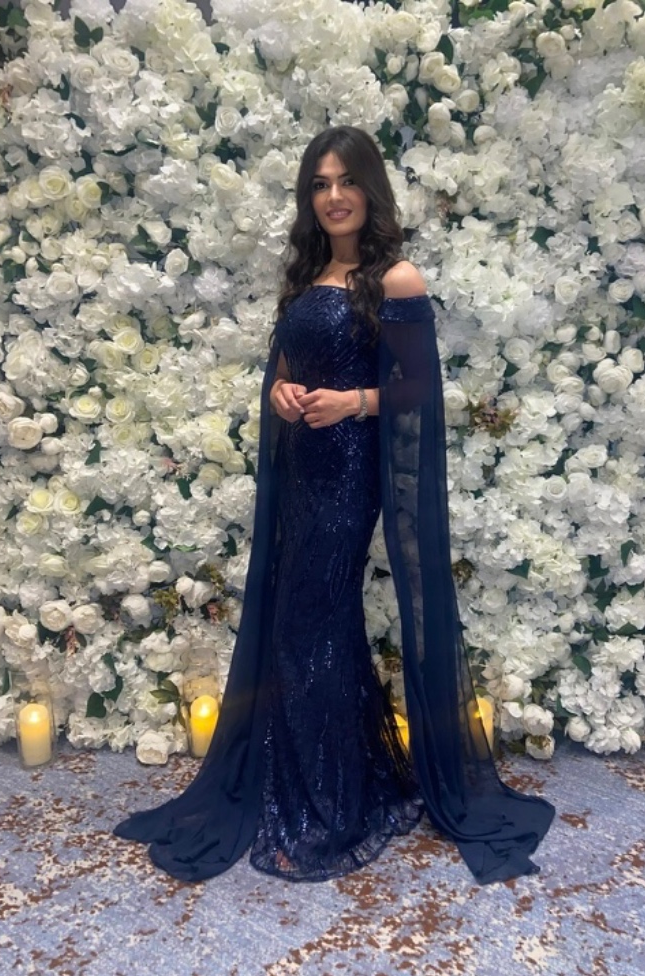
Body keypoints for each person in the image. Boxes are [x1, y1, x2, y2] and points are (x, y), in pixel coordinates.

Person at [114, 126, 554, 884]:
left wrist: (352, 401)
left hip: (351, 476)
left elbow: (419, 391)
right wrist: (282, 393)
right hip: (302, 471)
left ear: (370, 189)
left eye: (346, 181)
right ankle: (342, 783)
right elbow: (289, 366)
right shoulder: (309, 275)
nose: (333, 196)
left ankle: (329, 808)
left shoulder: (398, 279)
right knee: (314, 626)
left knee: (308, 627)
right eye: (319, 184)